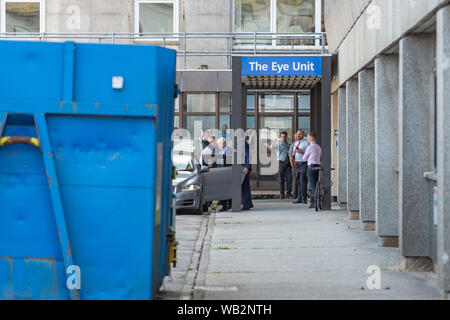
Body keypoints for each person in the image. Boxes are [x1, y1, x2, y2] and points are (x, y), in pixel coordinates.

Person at [270, 131, 293, 200]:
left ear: (286, 137)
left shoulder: (289, 145)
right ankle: (281, 194)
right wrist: (274, 142)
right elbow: (271, 148)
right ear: (281, 137)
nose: (283, 137)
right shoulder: (278, 144)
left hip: (288, 163)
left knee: (289, 179)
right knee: (281, 179)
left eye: (284, 136)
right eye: (282, 136)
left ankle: (289, 194)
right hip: (281, 162)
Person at [303, 132, 322, 209]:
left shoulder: (310, 147)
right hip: (318, 166)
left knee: (313, 185)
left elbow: (304, 158)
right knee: (317, 183)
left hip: (311, 167)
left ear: (311, 138)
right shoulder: (318, 147)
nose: (307, 139)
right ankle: (318, 200)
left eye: (308, 137)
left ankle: (314, 203)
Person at [290, 130, 309, 204]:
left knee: (303, 181)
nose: (298, 135)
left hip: (303, 164)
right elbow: (292, 153)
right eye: (297, 134)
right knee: (298, 181)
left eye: (300, 134)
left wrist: (302, 152)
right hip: (296, 164)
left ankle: (304, 198)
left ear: (303, 135)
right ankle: (299, 198)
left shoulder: (306, 143)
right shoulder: (295, 143)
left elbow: (308, 155)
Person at [217, 137, 232, 212]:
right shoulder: (220, 151)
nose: (218, 146)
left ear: (223, 143)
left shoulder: (229, 150)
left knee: (228, 188)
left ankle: (228, 204)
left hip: (227, 171)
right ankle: (225, 205)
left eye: (219, 144)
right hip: (221, 172)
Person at [242, 137, 254, 211]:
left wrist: (247, 167)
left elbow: (248, 155)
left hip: (244, 167)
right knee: (244, 186)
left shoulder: (243, 143)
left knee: (245, 186)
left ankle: (247, 204)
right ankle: (248, 203)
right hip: (242, 167)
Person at [289, 132, 300, 199]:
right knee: (296, 180)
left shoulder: (302, 144)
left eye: (298, 136)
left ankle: (300, 195)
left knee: (300, 180)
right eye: (296, 136)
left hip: (301, 164)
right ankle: (296, 194)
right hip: (295, 164)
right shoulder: (293, 145)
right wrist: (292, 165)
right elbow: (290, 156)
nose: (297, 137)